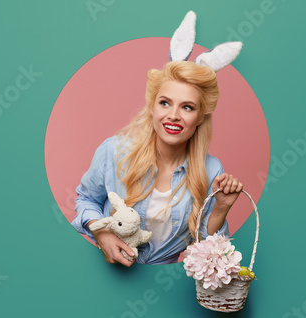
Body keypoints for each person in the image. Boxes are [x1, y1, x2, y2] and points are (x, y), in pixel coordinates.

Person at [71, 60, 243, 266]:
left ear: (199, 117)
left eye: (187, 107)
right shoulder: (114, 151)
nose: (173, 116)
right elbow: (87, 199)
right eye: (165, 103)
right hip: (105, 274)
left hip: (163, 286)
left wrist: (221, 209)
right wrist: (102, 233)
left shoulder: (211, 170)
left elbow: (208, 252)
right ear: (152, 106)